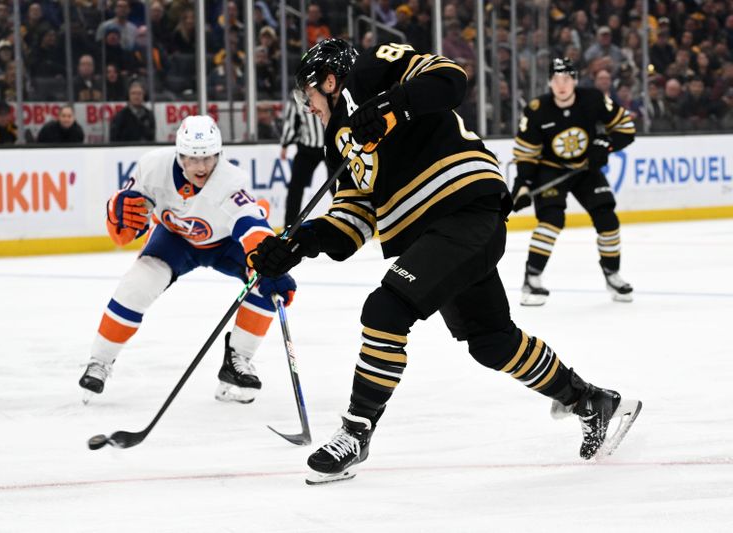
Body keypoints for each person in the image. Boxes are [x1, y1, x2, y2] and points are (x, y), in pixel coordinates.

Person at [248, 39, 642, 484]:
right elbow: (353, 220)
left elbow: (450, 79)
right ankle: (590, 401)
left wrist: (392, 104)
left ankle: (356, 432)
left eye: (309, 93)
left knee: (386, 309)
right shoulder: (336, 142)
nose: (308, 105)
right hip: (432, 237)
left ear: (331, 79)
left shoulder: (376, 67)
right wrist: (298, 243)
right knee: (491, 341)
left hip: (465, 208)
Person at [79, 115, 296, 405]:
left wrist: (270, 258)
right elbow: (125, 221)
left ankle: (237, 361)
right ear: (179, 154)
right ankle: (100, 361)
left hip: (224, 245)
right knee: (137, 284)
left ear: (220, 154)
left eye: (208, 157)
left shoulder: (231, 182)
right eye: (193, 158)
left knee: (266, 282)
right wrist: (116, 208)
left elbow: (251, 225)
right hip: (174, 240)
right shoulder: (153, 167)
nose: (201, 166)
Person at [511, 57, 636, 306]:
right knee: (551, 220)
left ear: (575, 81)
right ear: (549, 82)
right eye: (556, 79)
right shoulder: (537, 109)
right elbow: (526, 152)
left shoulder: (594, 99)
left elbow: (625, 128)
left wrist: (605, 145)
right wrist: (523, 183)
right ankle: (532, 278)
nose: (562, 84)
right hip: (550, 169)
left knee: (607, 217)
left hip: (586, 168)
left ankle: (612, 273)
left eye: (567, 78)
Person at [278, 95, 331, 229]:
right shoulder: (297, 96)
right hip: (308, 148)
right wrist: (285, 144)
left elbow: (290, 125)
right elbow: (291, 123)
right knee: (296, 187)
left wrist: (285, 144)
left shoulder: (324, 92)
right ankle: (289, 225)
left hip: (330, 145)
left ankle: (349, 216)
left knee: (337, 184)